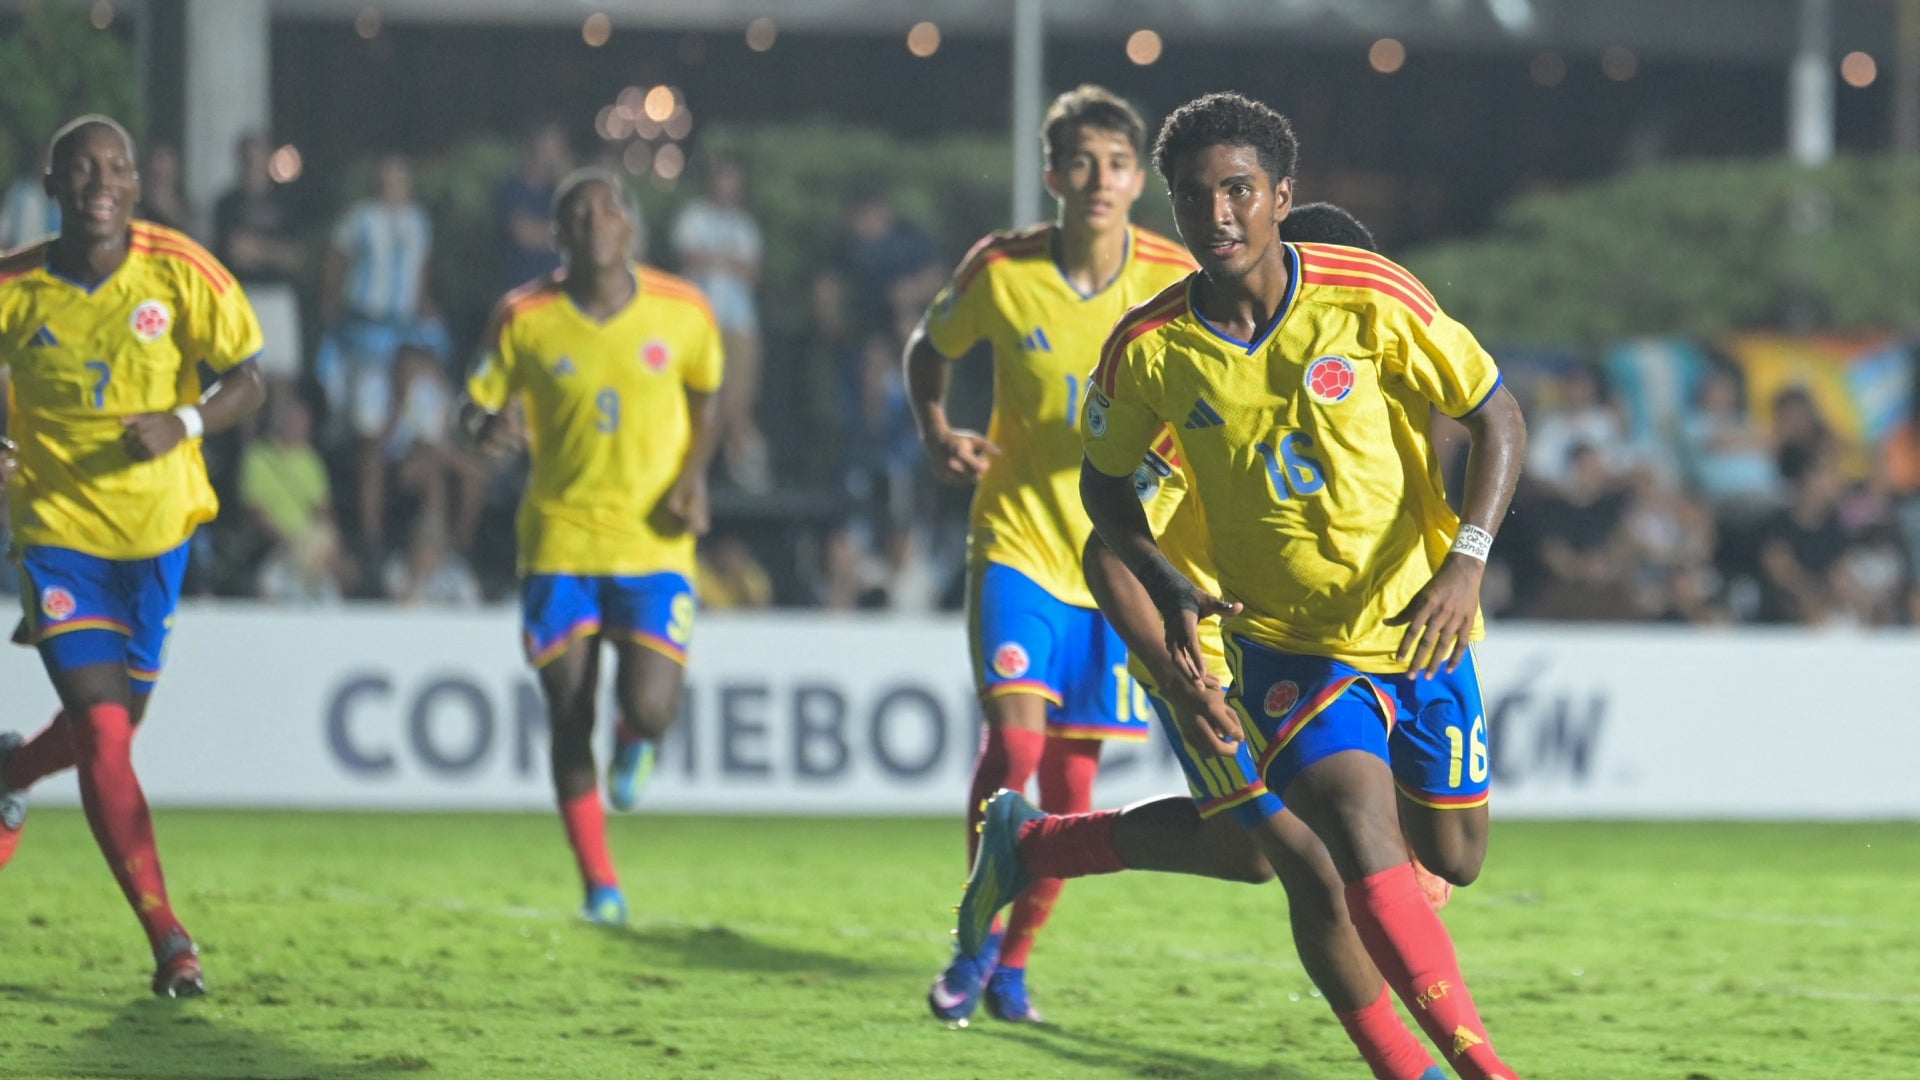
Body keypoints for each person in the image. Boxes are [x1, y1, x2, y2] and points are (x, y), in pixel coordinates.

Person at [1079, 93, 1527, 1078]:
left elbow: (1499, 413)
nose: (1219, 214)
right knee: (1336, 856)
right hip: (1280, 649)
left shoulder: (1371, 301)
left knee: (1446, 859)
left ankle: (1038, 848)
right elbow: (1102, 512)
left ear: (1282, 197)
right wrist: (1170, 637)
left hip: (1420, 628)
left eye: (1239, 190)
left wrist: (1466, 559)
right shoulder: (1152, 353)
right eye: (1196, 198)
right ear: (1176, 210)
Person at [952, 202, 1451, 1080]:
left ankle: (1032, 846)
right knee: (1311, 870)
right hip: (1217, 663)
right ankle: (1404, 1070)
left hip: (1323, 654)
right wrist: (1176, 674)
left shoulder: (1368, 376)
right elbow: (1107, 547)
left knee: (1252, 857)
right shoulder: (1207, 403)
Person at [907, 84, 1198, 1024]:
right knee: (1015, 746)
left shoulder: (1172, 276)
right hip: (1018, 545)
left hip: (1114, 563)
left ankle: (1015, 964)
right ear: (1053, 175)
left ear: (1135, 180)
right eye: (1082, 163)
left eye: (1118, 163)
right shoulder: (1002, 267)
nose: (1101, 181)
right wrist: (935, 426)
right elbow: (928, 345)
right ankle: (973, 945)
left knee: (1072, 790)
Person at [0, 115, 267, 997]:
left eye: (115, 166)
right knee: (106, 733)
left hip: (158, 534)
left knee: (116, 722)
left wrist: (184, 422)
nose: (100, 182)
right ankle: (170, 941)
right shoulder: (15, 285)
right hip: (56, 533)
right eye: (82, 168)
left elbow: (250, 379)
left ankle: (8, 771)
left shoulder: (182, 269)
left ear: (136, 185)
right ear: (53, 183)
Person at [459, 168, 722, 925]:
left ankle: (637, 736)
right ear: (560, 237)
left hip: (654, 541)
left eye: (609, 208)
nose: (596, 220)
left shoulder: (684, 311)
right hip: (561, 542)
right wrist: (486, 428)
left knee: (652, 705)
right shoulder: (524, 316)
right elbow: (471, 405)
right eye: (578, 212)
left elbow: (708, 394)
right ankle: (599, 882)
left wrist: (695, 477)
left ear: (631, 228)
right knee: (567, 711)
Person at [673, 157, 770, 492]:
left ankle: (745, 470)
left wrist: (715, 259)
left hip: (741, 322)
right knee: (702, 397)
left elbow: (752, 271)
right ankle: (694, 470)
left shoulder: (745, 225)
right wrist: (729, 261)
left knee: (738, 401)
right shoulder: (693, 217)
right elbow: (689, 257)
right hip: (703, 320)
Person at [213, 135, 308, 381]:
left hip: (278, 296)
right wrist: (272, 252)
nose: (252, 165)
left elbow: (297, 257)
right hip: (243, 297)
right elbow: (230, 254)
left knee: (281, 378)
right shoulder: (226, 204)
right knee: (245, 377)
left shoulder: (285, 203)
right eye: (247, 159)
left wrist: (260, 250)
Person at [498, 121, 572, 290]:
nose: (553, 153)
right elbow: (526, 236)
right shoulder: (514, 188)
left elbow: (574, 215)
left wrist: (562, 177)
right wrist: (568, 234)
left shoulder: (555, 190)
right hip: (524, 289)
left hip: (559, 290)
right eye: (549, 144)